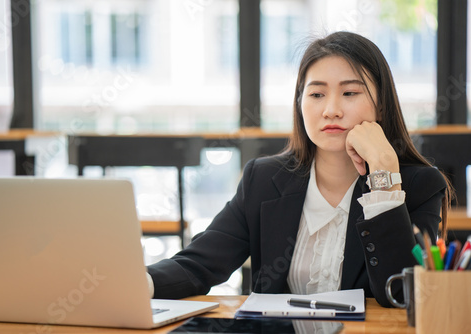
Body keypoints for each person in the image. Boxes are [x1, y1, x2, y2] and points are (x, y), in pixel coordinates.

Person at [146, 31, 452, 307]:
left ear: (381, 106)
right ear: (300, 104)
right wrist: (132, 284)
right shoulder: (264, 180)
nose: (331, 109)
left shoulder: (420, 186)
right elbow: (198, 265)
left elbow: (400, 297)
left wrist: (385, 175)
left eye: (350, 93)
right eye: (316, 94)